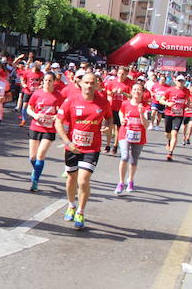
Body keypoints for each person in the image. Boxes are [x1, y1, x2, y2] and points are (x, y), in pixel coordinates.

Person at [55, 72, 113, 230]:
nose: (89, 85)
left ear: (97, 85)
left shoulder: (103, 102)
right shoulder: (71, 101)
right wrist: (67, 141)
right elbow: (58, 122)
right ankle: (71, 205)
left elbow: (109, 117)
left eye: (92, 83)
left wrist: (108, 126)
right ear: (80, 83)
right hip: (72, 146)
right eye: (86, 82)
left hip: (92, 147)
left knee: (83, 181)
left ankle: (80, 211)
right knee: (71, 179)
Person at [25, 71, 64, 192]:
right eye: (45, 80)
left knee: (41, 154)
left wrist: (55, 117)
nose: (47, 83)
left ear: (54, 82)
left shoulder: (58, 95)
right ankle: (36, 169)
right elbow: (29, 108)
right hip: (35, 126)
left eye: (50, 80)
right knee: (32, 157)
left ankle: (35, 181)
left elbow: (62, 112)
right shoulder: (37, 93)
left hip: (49, 128)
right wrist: (35, 115)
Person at [116, 82, 148, 194]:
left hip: (139, 135)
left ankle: (131, 180)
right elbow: (121, 111)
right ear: (131, 91)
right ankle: (121, 182)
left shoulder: (145, 106)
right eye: (134, 89)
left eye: (139, 90)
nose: (136, 92)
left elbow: (146, 125)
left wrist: (141, 113)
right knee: (124, 157)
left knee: (134, 159)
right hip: (125, 133)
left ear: (143, 93)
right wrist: (121, 119)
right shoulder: (125, 103)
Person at [159, 75, 190, 161]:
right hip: (169, 113)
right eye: (179, 81)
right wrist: (167, 103)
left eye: (182, 81)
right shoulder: (170, 90)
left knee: (175, 133)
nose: (180, 83)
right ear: (176, 81)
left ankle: (170, 153)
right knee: (167, 133)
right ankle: (169, 142)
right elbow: (161, 100)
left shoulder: (186, 91)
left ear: (184, 82)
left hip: (179, 115)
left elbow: (188, 100)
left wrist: (187, 105)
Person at [104, 66, 133, 154]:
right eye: (119, 73)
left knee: (119, 128)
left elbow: (131, 96)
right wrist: (112, 91)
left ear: (127, 74)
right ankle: (108, 145)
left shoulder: (130, 83)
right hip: (112, 106)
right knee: (109, 126)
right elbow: (107, 92)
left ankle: (115, 146)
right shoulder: (112, 82)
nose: (120, 75)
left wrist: (123, 93)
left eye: (123, 74)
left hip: (122, 109)